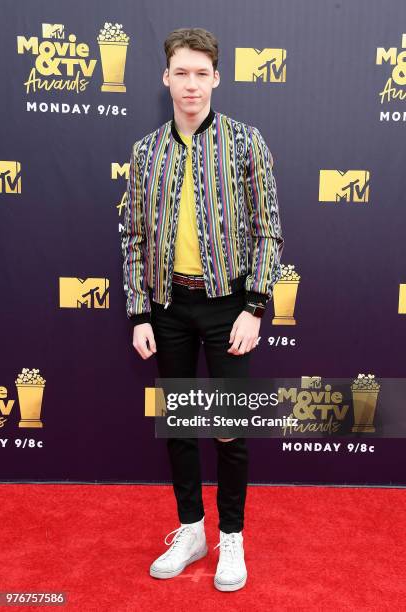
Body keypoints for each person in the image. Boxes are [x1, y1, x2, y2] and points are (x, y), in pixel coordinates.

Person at [121, 27, 284, 592]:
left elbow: (269, 231)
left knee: (229, 429)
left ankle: (231, 539)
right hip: (168, 308)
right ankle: (191, 529)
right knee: (182, 427)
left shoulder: (246, 142)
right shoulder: (145, 152)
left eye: (201, 73)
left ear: (216, 77)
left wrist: (255, 306)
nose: (191, 85)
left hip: (228, 308)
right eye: (181, 73)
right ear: (166, 78)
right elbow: (134, 238)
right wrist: (139, 313)